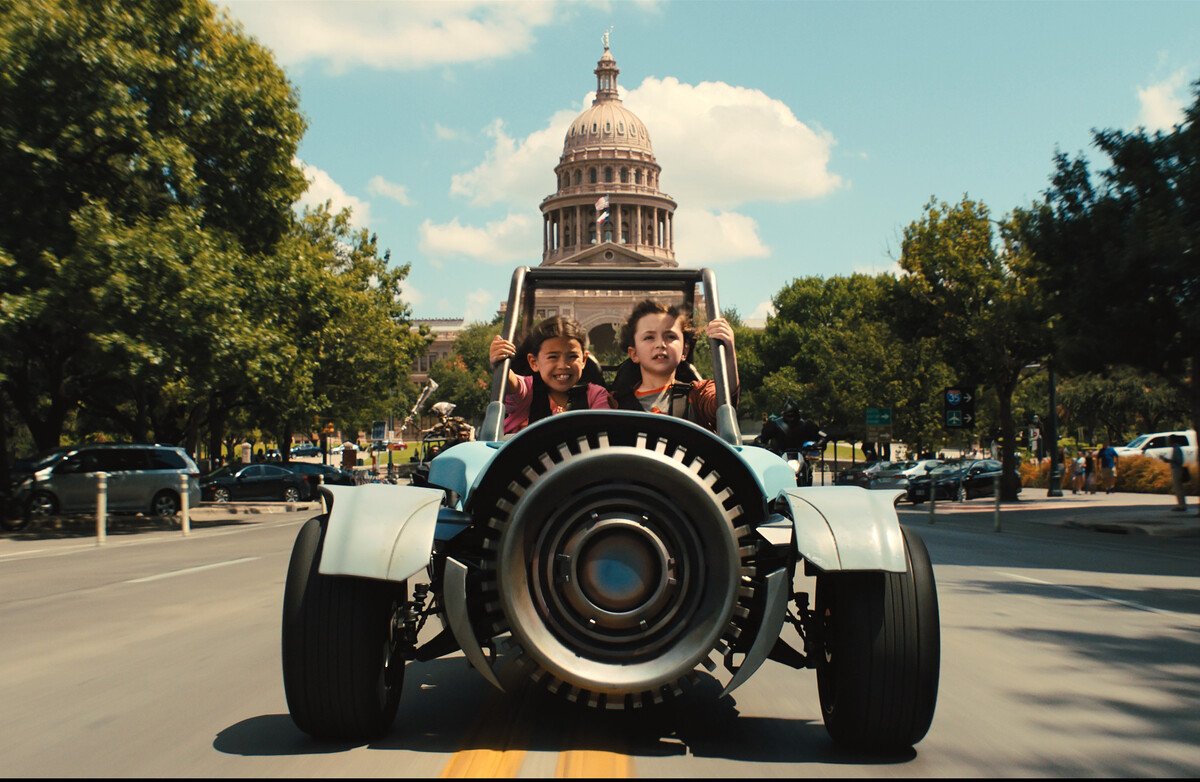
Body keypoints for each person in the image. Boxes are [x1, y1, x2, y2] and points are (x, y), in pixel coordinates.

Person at [610, 299, 738, 432]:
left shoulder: (697, 395)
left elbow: (724, 403)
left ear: (684, 351)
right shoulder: (613, 404)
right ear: (634, 353)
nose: (660, 344)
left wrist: (727, 350)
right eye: (649, 337)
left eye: (670, 336)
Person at [489, 315, 614, 434]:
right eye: (553, 357)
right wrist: (499, 360)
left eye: (572, 356)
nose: (563, 365)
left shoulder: (596, 395)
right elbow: (512, 383)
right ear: (534, 362)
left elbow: (603, 431)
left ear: (584, 360)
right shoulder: (528, 390)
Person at [1161, 436, 1188, 511]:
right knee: (1178, 488)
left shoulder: (1177, 449)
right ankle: (1181, 504)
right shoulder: (1176, 448)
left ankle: (1182, 506)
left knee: (1178, 488)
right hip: (1176, 469)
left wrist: (1168, 460)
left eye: (1169, 440)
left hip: (1177, 469)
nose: (1168, 442)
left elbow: (1178, 461)